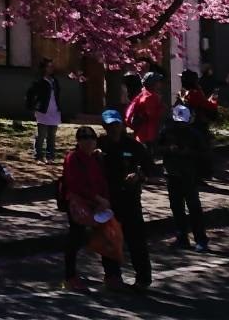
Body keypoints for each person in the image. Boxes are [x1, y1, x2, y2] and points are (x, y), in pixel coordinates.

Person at [99, 110, 154, 291]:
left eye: (116, 124)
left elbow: (150, 169)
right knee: (109, 239)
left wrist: (139, 175)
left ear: (122, 125)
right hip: (107, 200)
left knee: (136, 240)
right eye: (110, 125)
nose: (113, 128)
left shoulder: (134, 146)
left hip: (130, 199)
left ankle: (143, 278)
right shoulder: (98, 145)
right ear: (104, 126)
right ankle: (112, 276)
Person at [60, 126, 115, 292]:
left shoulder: (96, 159)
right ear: (78, 141)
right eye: (84, 138)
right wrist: (98, 198)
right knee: (75, 238)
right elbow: (75, 184)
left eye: (91, 138)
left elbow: (102, 181)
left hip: (96, 204)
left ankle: (111, 275)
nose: (88, 141)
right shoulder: (73, 158)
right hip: (78, 204)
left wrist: (105, 200)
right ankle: (70, 278)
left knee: (107, 236)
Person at [160, 104, 211, 252]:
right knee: (177, 208)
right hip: (172, 174)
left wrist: (188, 152)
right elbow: (158, 148)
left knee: (194, 208)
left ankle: (201, 239)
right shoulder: (166, 132)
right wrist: (169, 149)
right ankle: (181, 238)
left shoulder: (195, 135)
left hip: (189, 176)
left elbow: (204, 154)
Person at [26, 58, 63, 163]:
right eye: (49, 66)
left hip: (54, 110)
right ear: (44, 68)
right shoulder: (39, 81)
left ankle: (50, 156)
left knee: (52, 135)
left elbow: (57, 95)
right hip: (43, 111)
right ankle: (38, 155)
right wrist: (32, 105)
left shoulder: (54, 81)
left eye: (52, 66)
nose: (51, 68)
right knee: (41, 134)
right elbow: (30, 93)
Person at [125, 72, 165, 146]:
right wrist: (162, 108)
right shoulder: (150, 97)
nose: (160, 84)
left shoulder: (142, 94)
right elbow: (152, 115)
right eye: (158, 81)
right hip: (148, 135)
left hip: (141, 134)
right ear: (153, 83)